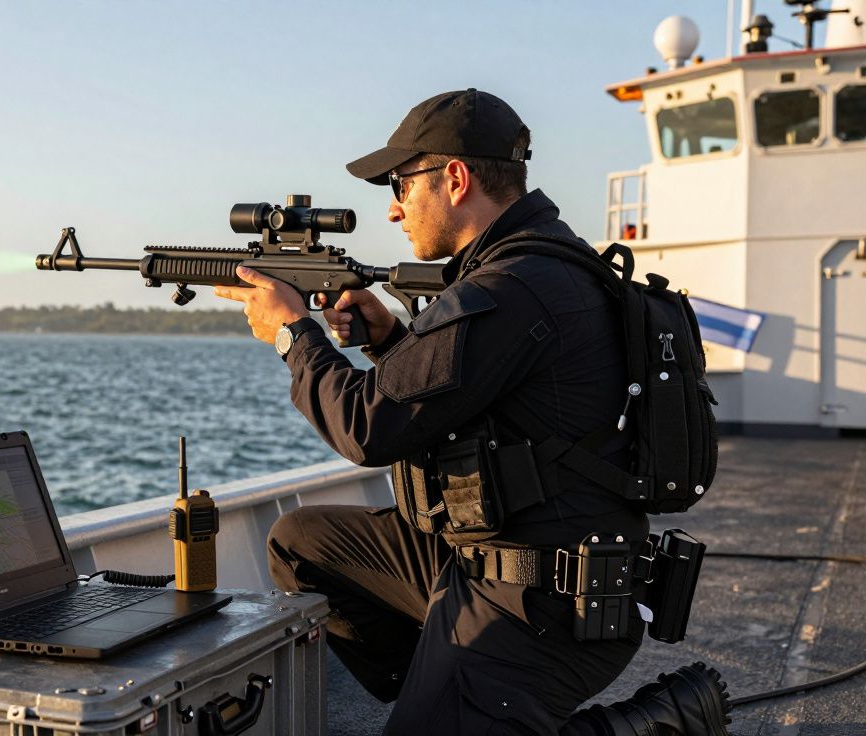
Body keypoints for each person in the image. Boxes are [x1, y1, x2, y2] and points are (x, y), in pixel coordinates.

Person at [213, 89, 730, 735]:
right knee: (303, 542)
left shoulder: (506, 288)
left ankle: (652, 722)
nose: (395, 207)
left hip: (545, 602)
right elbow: (489, 404)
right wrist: (386, 341)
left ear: (454, 178)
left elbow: (366, 429)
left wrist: (295, 334)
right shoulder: (541, 264)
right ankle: (446, 694)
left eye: (402, 184)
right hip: (504, 559)